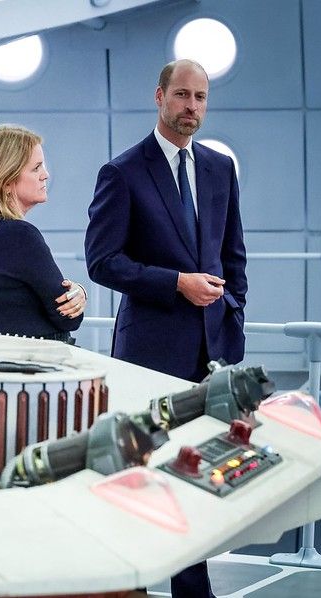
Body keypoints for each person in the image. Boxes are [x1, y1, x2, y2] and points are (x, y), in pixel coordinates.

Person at [84, 59, 247, 598]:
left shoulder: (220, 168)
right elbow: (103, 262)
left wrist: (233, 313)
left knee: (202, 470)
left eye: (200, 97)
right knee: (146, 470)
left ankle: (193, 589)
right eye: (181, 95)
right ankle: (131, 582)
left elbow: (233, 255)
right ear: (159, 97)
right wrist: (176, 283)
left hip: (214, 348)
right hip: (149, 352)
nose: (191, 107)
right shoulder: (123, 172)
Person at [0, 124, 87, 343]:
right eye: (36, 168)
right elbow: (68, 319)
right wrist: (78, 294)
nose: (45, 175)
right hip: (38, 360)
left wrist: (77, 292)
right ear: (6, 181)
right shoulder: (19, 235)